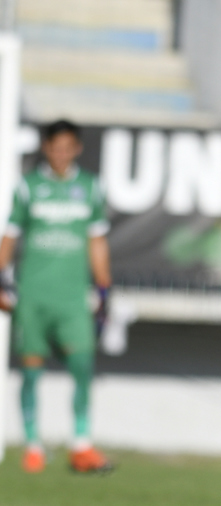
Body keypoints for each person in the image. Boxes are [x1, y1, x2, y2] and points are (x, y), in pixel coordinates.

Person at [0, 119, 113, 473]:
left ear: (76, 148)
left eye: (67, 148)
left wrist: (104, 287)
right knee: (32, 371)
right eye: (55, 147)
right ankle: (33, 446)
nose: (61, 154)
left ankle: (81, 444)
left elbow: (96, 240)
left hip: (72, 298)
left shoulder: (90, 187)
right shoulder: (28, 187)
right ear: (46, 148)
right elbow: (10, 236)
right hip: (33, 295)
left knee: (82, 366)